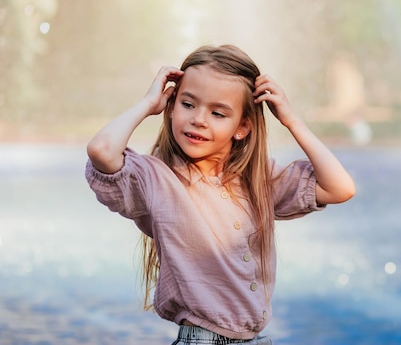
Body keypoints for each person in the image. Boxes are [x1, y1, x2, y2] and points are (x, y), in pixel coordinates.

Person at [85, 44, 355, 344]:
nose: (199, 119)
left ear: (242, 127)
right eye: (188, 104)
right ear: (172, 106)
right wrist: (148, 103)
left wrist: (291, 120)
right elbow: (102, 150)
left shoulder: (257, 178)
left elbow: (340, 188)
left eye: (217, 113)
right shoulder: (157, 178)